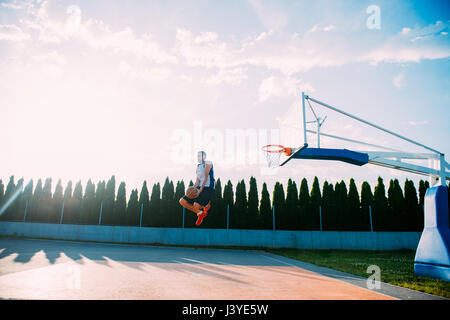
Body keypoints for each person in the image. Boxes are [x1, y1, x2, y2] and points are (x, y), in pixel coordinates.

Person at [179, 151, 215, 226]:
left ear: (204, 157)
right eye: (197, 156)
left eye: (200, 156)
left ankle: (206, 204)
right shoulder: (198, 166)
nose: (198, 157)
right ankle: (200, 213)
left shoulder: (208, 163)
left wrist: (199, 191)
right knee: (182, 201)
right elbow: (197, 181)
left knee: (196, 205)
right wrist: (192, 189)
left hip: (208, 187)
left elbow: (205, 178)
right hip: (199, 186)